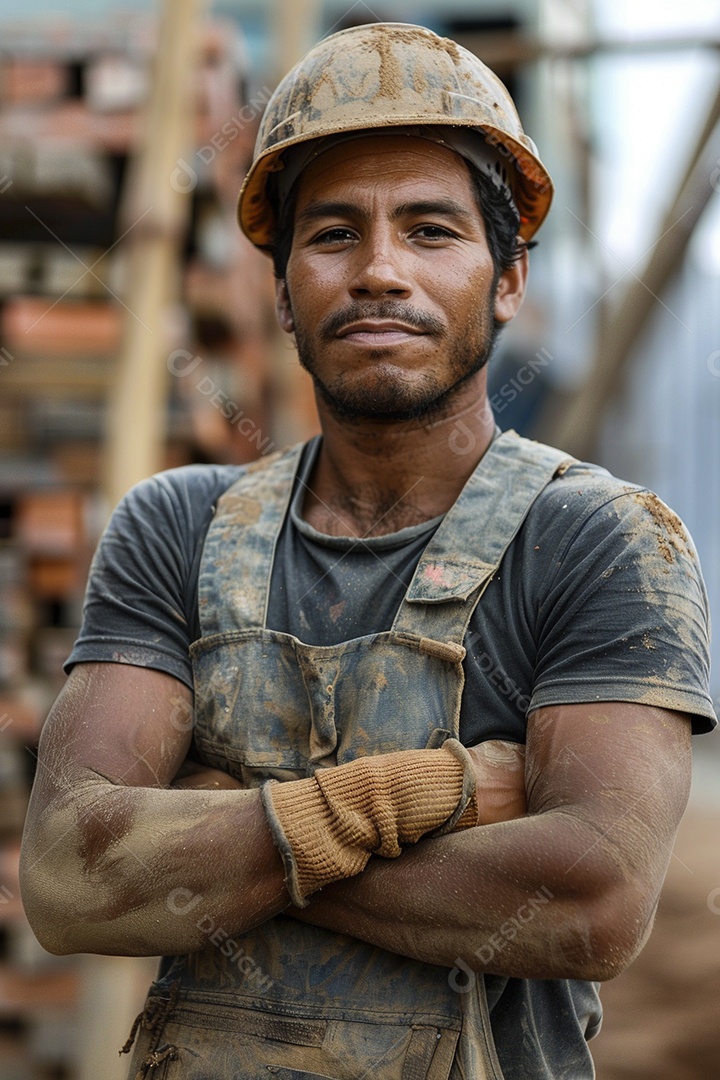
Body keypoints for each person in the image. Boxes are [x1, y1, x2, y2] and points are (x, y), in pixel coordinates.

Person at [20, 22, 716, 1080]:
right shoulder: (178, 528)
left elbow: (590, 900)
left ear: (511, 277)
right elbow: (73, 877)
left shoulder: (601, 541)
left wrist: (216, 832)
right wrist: (410, 801)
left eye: (432, 231)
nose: (380, 272)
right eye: (335, 234)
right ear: (284, 288)